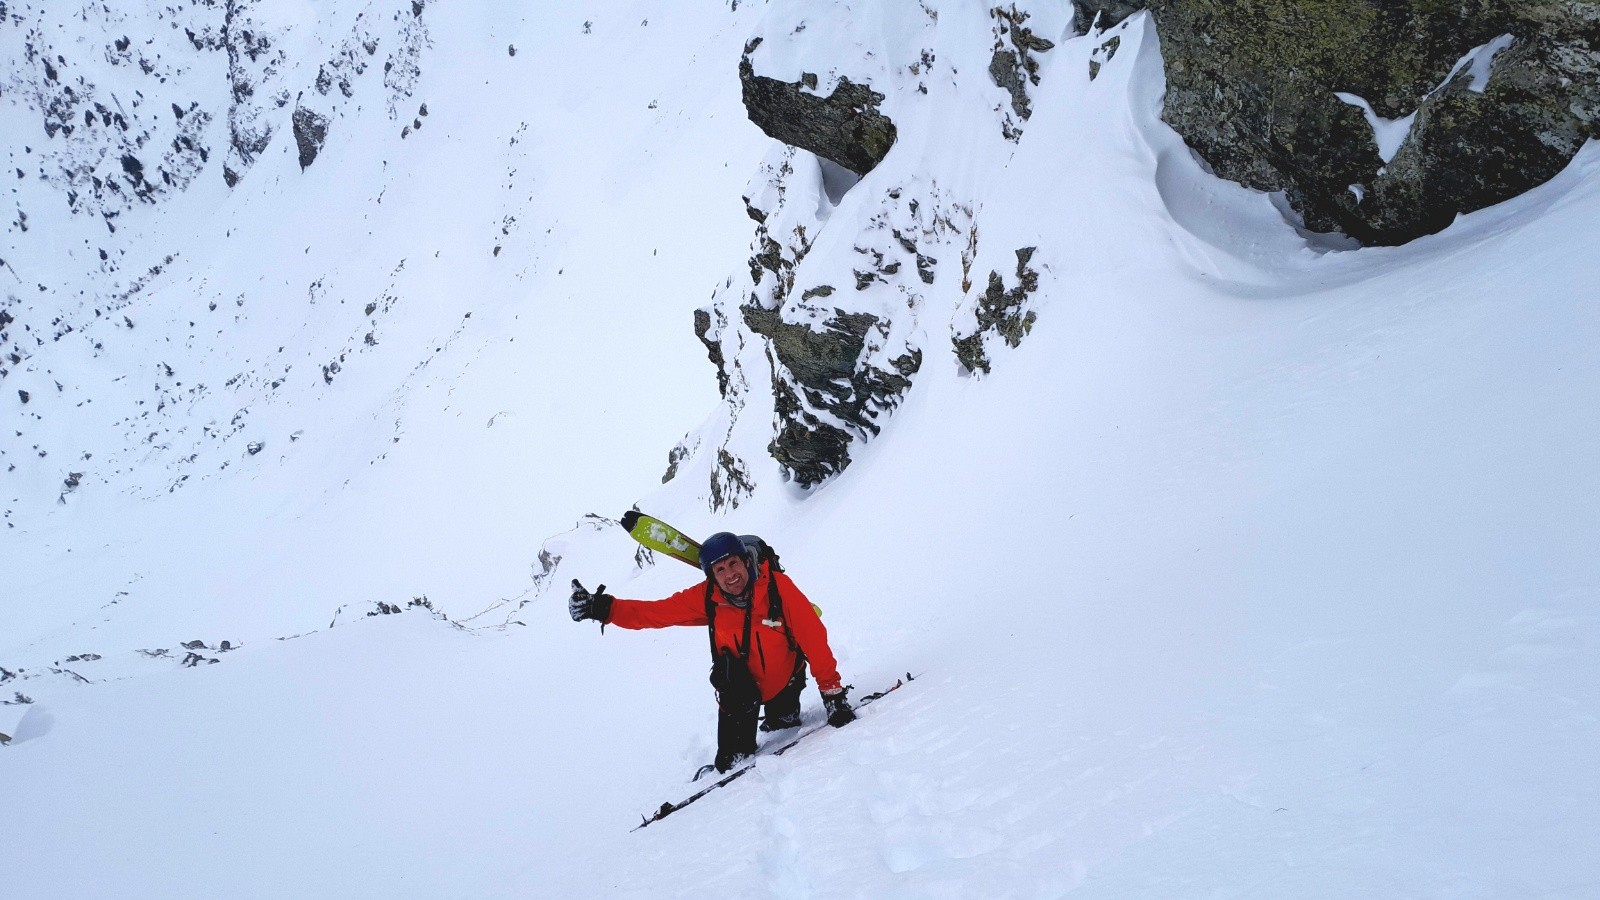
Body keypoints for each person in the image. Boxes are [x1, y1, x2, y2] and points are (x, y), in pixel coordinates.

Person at [569, 531, 855, 774]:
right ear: (711, 576)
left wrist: (832, 695)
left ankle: (780, 716)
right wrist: (604, 608)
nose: (730, 575)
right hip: (738, 690)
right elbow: (656, 613)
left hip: (785, 680)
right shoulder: (707, 597)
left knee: (784, 723)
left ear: (746, 561)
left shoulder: (778, 589)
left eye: (733, 564)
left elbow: (813, 637)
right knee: (731, 763)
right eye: (720, 570)